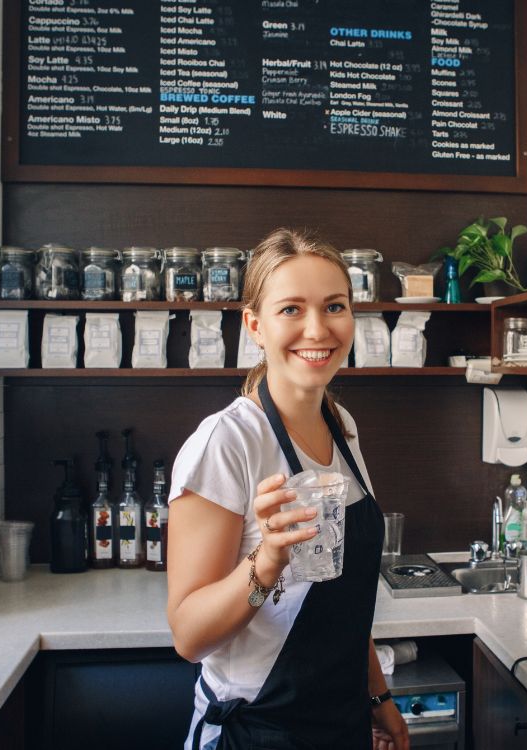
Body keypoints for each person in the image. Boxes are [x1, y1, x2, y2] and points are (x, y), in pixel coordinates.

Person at [167, 228, 410, 750]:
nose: (317, 328)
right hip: (257, 731)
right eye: (291, 310)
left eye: (335, 306)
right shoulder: (227, 443)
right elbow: (189, 636)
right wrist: (267, 561)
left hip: (340, 722)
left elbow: (340, 601)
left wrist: (378, 699)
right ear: (254, 325)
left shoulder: (341, 425)